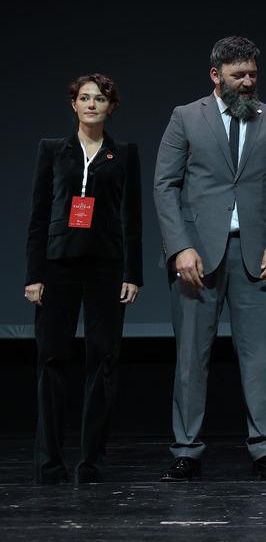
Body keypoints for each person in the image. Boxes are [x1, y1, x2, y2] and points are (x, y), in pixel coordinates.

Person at [153, 36, 266, 481]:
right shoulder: (186, 117)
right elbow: (165, 185)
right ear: (216, 75)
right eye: (239, 75)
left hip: (256, 255)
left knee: (258, 358)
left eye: (253, 74)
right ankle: (186, 450)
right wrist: (180, 246)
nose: (248, 82)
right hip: (196, 256)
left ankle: (265, 449)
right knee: (190, 358)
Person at [25, 74, 141, 484]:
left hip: (106, 267)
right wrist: (34, 275)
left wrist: (133, 273)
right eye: (85, 98)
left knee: (103, 362)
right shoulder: (52, 150)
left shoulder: (123, 154)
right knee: (52, 360)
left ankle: (91, 462)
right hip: (58, 266)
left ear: (111, 107)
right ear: (73, 104)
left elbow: (132, 218)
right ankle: (49, 464)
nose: (92, 104)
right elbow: (39, 216)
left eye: (101, 99)